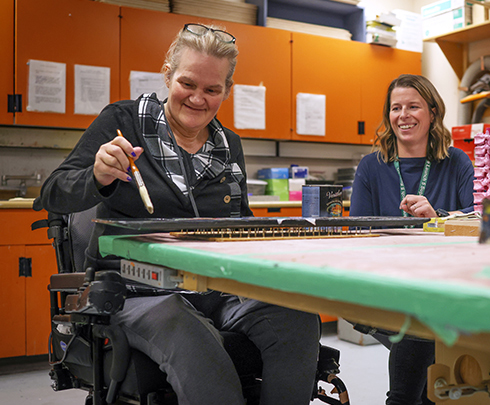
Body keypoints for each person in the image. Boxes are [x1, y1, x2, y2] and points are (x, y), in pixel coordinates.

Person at [34, 23, 320, 405]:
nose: (198, 98)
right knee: (192, 339)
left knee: (298, 318)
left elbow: (243, 224)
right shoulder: (123, 122)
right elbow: (53, 191)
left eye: (212, 89)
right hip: (136, 290)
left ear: (226, 91)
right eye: (188, 83)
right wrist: (97, 175)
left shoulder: (228, 144)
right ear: (167, 74)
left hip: (216, 287)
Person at [350, 74, 475, 405]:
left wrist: (438, 218)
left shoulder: (458, 163)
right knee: (421, 330)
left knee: (422, 336)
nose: (403, 115)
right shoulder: (371, 167)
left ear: (432, 112)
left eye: (413, 106)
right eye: (395, 108)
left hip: (445, 282)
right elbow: (358, 233)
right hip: (388, 283)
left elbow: (476, 223)